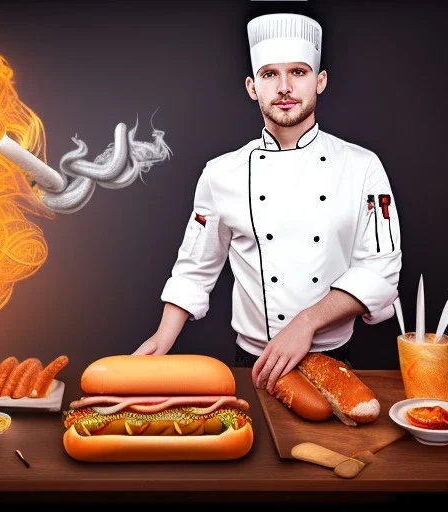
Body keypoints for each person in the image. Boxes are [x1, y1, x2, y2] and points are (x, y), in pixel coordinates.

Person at [133, 12, 402, 395]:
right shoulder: (220, 174)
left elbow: (380, 270)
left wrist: (306, 322)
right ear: (252, 87)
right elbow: (195, 268)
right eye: (270, 74)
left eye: (298, 72)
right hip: (253, 362)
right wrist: (161, 340)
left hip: (336, 357)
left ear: (320, 81)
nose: (285, 87)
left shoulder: (362, 166)